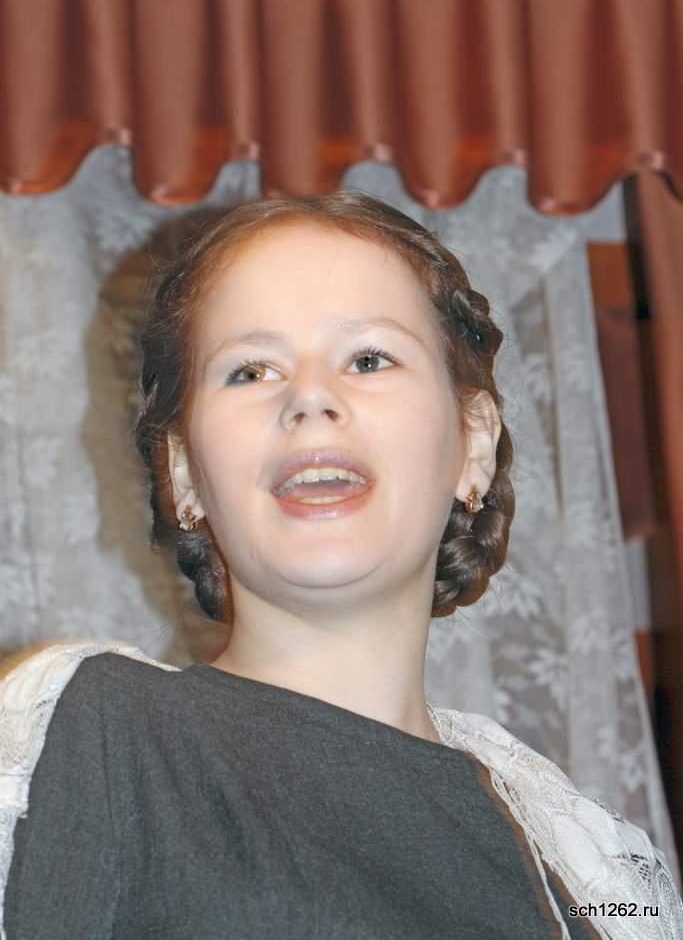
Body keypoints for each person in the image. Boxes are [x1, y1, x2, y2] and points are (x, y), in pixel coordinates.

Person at [1, 191, 681, 939]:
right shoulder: (96, 729)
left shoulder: (590, 867)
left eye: (367, 359)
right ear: (184, 472)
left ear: (474, 444)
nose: (309, 398)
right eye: (250, 371)